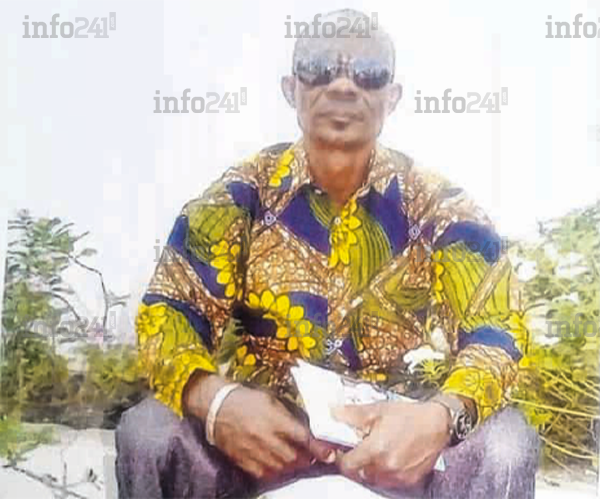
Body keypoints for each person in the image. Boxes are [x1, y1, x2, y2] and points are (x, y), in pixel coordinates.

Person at [116, 9, 540, 499]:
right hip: (263, 437)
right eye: (319, 67)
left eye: (369, 71)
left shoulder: (439, 207)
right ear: (290, 89)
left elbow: (498, 329)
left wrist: (441, 417)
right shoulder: (238, 197)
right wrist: (216, 402)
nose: (342, 85)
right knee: (149, 433)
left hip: (397, 440)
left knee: (506, 444)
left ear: (392, 96)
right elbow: (169, 314)